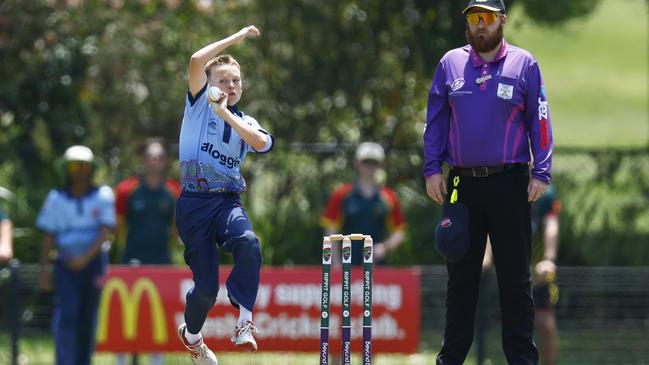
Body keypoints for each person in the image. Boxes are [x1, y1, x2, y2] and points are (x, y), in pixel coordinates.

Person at [423, 0, 553, 363]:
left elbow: (539, 119)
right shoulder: (450, 63)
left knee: (515, 281)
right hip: (463, 186)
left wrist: (541, 171)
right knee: (461, 281)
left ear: (502, 22)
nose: (481, 25)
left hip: (510, 183)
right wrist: (432, 168)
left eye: (488, 18)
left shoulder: (523, 64)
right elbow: (435, 121)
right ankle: (451, 359)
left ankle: (522, 360)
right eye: (474, 18)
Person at [175, 25, 273, 364]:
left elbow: (261, 143)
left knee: (248, 241)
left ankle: (244, 320)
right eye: (222, 80)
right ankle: (192, 338)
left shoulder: (244, 120)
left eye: (236, 81)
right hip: (193, 203)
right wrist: (238, 38)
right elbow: (195, 59)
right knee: (206, 289)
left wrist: (227, 114)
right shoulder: (198, 105)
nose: (230, 86)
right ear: (209, 84)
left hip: (227, 201)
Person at [37, 145, 116, 365]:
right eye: (74, 166)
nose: (79, 171)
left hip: (93, 265)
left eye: (83, 166)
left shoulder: (103, 195)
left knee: (88, 318)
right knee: (66, 316)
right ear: (67, 170)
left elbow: (104, 233)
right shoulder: (55, 198)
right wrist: (44, 269)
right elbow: (48, 235)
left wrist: (84, 259)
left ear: (90, 169)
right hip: (65, 265)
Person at [114, 138, 180, 365]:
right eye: (150, 157)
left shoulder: (173, 191)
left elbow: (175, 230)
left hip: (161, 262)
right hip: (131, 262)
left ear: (165, 162)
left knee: (157, 317)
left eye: (159, 157)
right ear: (143, 160)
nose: (154, 161)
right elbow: (118, 227)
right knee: (125, 317)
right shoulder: (126, 190)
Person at [482, 185, 560, 365]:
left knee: (546, 323)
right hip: (508, 271)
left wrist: (549, 259)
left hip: (538, 273)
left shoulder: (546, 194)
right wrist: (486, 258)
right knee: (512, 325)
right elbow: (490, 225)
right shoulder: (502, 185)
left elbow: (551, 226)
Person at [321, 142, 406, 266]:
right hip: (346, 266)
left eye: (374, 162)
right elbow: (330, 231)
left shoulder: (390, 197)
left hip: (377, 267)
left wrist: (384, 247)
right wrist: (336, 264)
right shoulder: (340, 194)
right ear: (356, 163)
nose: (369, 166)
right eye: (366, 162)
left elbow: (399, 232)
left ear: (381, 165)